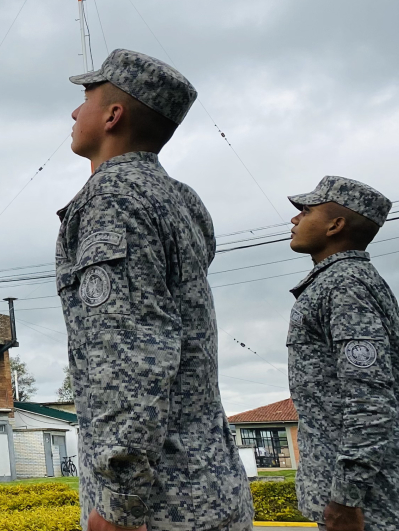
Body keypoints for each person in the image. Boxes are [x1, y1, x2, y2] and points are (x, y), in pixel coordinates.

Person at [56, 49, 252, 531]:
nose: (75, 112)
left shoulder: (112, 200)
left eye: (86, 98)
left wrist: (120, 501)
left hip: (160, 505)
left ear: (113, 115)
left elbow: (129, 354)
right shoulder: (180, 198)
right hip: (210, 484)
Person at [286, 176, 398, 531]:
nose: (294, 220)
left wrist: (347, 497)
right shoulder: (338, 282)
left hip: (367, 506)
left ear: (336, 225)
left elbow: (371, 400)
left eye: (305, 211)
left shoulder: (344, 284)